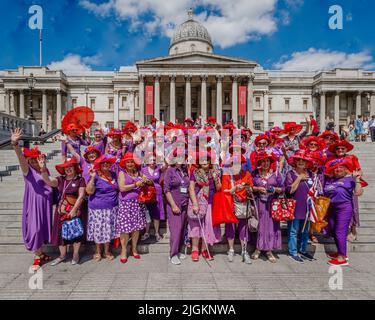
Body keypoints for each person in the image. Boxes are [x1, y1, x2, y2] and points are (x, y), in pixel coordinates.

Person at [10, 128, 54, 271]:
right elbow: (21, 159)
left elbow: (51, 183)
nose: (35, 161)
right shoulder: (27, 171)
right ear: (28, 160)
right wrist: (15, 145)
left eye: (36, 159)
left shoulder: (43, 170)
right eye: (32, 159)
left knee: (42, 228)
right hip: (34, 203)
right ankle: (37, 256)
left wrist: (43, 168)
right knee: (34, 229)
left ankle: (41, 254)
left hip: (45, 203)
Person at [40, 157, 86, 266]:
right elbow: (48, 181)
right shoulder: (61, 179)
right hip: (60, 212)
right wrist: (43, 168)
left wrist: (74, 209)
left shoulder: (80, 180)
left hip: (74, 211)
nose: (68, 169)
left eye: (71, 166)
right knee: (59, 234)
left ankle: (75, 255)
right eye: (66, 167)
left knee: (76, 234)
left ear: (75, 168)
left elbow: (81, 195)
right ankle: (62, 255)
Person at [324, 158, 363, 266]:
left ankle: (342, 258)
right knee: (333, 230)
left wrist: (357, 179)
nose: (338, 169)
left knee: (340, 231)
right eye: (335, 168)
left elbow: (359, 192)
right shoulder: (329, 180)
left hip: (344, 208)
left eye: (341, 167)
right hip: (331, 208)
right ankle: (340, 252)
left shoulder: (350, 179)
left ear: (346, 170)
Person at [188, 152, 222, 261]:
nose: (205, 162)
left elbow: (218, 188)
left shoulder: (214, 172)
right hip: (198, 200)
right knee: (196, 225)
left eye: (207, 160)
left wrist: (216, 179)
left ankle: (204, 249)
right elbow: (191, 188)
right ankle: (195, 250)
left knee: (208, 226)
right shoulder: (195, 172)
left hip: (210, 202)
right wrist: (195, 203)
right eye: (202, 160)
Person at [116, 153, 149, 263]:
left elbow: (147, 182)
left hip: (137, 203)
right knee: (125, 229)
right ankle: (124, 251)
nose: (130, 164)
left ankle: (134, 249)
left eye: (132, 162)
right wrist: (136, 184)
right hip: (126, 204)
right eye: (128, 162)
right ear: (125, 163)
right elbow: (122, 188)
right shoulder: (122, 173)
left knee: (136, 228)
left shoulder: (139, 173)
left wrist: (145, 181)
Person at [251, 152, 283, 263]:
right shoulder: (255, 173)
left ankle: (269, 250)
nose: (265, 163)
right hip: (259, 203)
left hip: (272, 205)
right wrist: (257, 189)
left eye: (268, 161)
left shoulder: (276, 174)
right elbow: (249, 187)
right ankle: (258, 249)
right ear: (260, 162)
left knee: (270, 227)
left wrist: (274, 190)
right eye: (263, 161)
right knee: (259, 226)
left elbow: (283, 188)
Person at [222, 153, 254, 264]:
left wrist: (248, 188)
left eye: (238, 164)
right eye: (234, 164)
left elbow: (251, 188)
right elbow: (224, 191)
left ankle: (244, 251)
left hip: (244, 204)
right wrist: (234, 188)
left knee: (243, 228)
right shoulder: (227, 175)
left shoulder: (247, 174)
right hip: (231, 204)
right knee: (230, 227)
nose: (236, 166)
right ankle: (230, 250)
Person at [86, 154, 118, 261]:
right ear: (99, 165)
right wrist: (93, 177)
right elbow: (89, 191)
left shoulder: (114, 174)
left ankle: (107, 251)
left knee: (108, 230)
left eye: (107, 163)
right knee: (98, 229)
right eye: (103, 163)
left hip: (112, 207)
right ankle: (98, 251)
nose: (105, 164)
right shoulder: (95, 176)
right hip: (97, 208)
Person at [285, 150, 315, 263]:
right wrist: (299, 178)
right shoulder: (290, 174)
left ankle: (303, 250)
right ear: (295, 161)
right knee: (293, 230)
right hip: (295, 206)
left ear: (307, 163)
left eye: (304, 160)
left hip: (307, 207)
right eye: (299, 159)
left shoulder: (311, 174)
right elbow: (290, 190)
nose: (301, 161)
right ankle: (293, 252)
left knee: (305, 230)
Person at [164, 154, 190, 265]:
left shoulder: (184, 171)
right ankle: (173, 254)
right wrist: (173, 205)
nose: (181, 159)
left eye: (183, 157)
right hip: (174, 205)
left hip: (184, 204)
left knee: (182, 229)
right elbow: (166, 190)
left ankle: (178, 250)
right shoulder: (170, 171)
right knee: (176, 230)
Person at [141, 156, 166, 242]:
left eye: (154, 160)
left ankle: (156, 233)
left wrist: (164, 160)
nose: (153, 162)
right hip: (146, 193)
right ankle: (147, 232)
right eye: (151, 160)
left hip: (157, 193)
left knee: (156, 213)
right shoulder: (143, 169)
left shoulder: (158, 168)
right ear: (147, 161)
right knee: (147, 213)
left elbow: (165, 167)